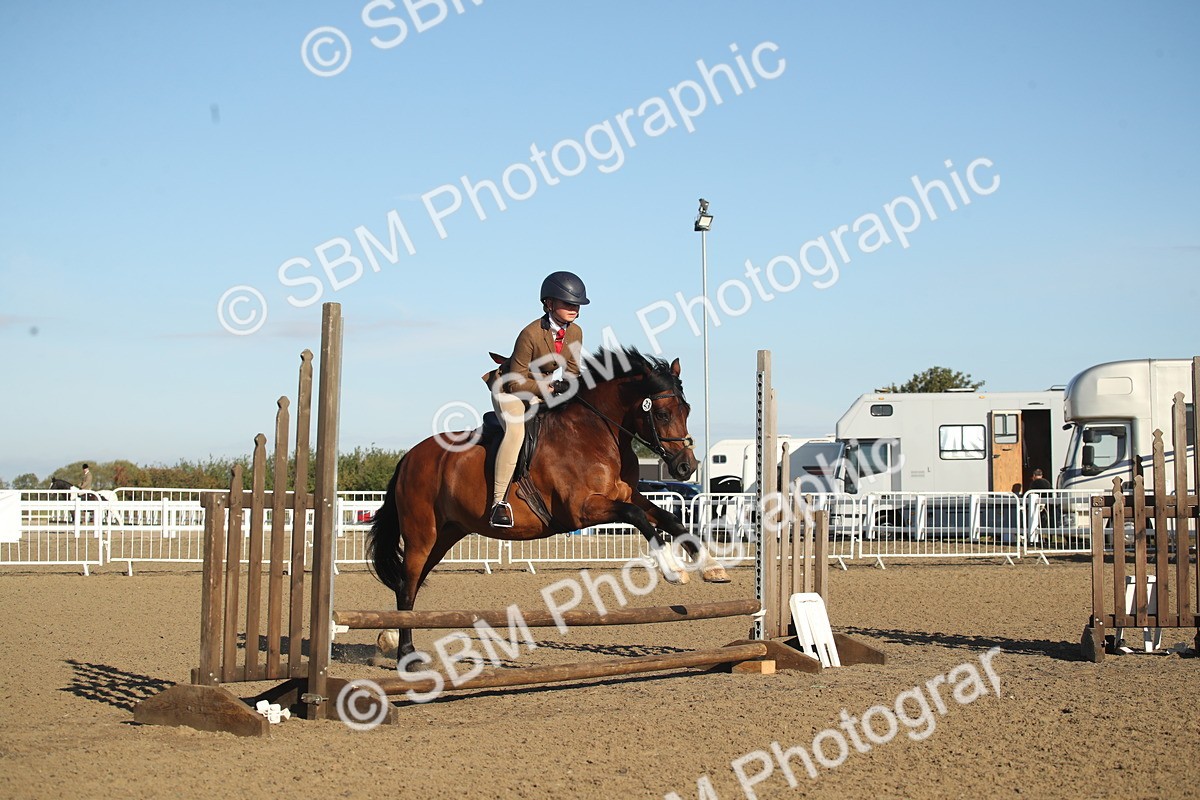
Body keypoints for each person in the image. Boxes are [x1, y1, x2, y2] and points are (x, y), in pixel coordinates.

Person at [483, 271, 587, 528]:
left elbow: (572, 369)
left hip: (541, 390)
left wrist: (571, 388)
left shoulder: (575, 333)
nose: (574, 309)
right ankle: (498, 503)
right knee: (516, 432)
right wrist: (549, 389)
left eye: (576, 304)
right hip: (510, 390)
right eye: (567, 304)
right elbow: (516, 380)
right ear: (549, 304)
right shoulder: (529, 333)